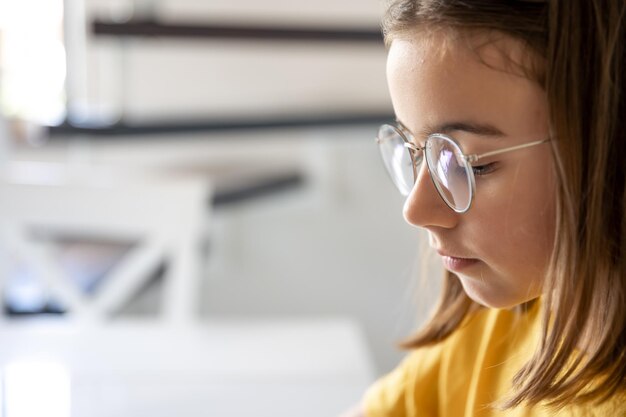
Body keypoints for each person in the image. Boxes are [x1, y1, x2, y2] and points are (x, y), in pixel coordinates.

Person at [341, 1, 626, 416]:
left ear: (606, 140)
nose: (416, 210)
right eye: (415, 152)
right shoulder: (495, 329)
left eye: (467, 162)